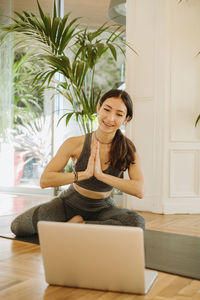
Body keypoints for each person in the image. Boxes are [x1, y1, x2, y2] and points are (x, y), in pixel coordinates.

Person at [11, 89, 145, 237]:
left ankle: (77, 226)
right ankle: (83, 229)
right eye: (106, 110)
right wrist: (84, 174)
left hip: (103, 208)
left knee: (137, 223)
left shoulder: (128, 149)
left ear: (126, 119)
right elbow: (45, 180)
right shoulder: (75, 143)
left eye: (119, 114)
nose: (110, 118)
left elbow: (139, 190)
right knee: (19, 226)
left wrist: (101, 175)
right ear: (98, 108)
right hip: (68, 203)